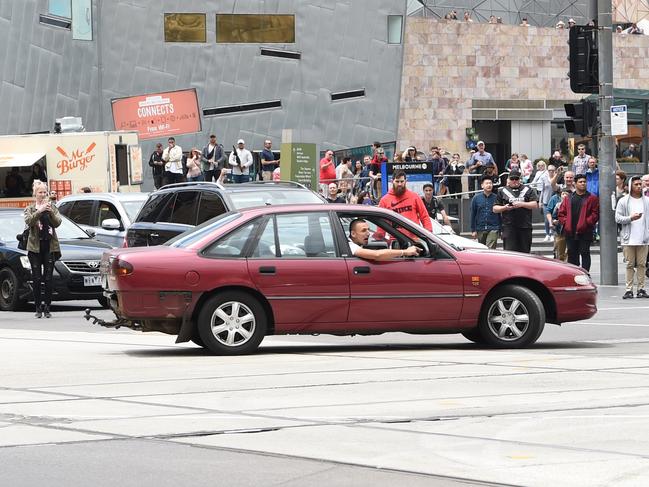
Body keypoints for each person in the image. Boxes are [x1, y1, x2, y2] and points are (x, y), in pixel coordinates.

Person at [24, 181, 62, 318]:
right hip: (35, 247)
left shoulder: (51, 207)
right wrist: (39, 211)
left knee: (48, 278)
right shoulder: (30, 208)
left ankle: (47, 308)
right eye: (40, 192)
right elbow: (29, 222)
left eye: (44, 192)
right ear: (35, 193)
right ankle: (38, 308)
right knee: (36, 277)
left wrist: (50, 212)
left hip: (49, 246)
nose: (42, 195)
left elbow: (57, 223)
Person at [615, 176, 649, 299]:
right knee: (629, 264)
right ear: (630, 186)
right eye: (636, 184)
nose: (639, 186)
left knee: (642, 264)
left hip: (643, 238)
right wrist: (630, 218)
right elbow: (617, 218)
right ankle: (629, 289)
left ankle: (641, 289)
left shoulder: (647, 201)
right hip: (628, 238)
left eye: (640, 184)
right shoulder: (623, 201)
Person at [558, 174, 599, 272]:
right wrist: (566, 222)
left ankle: (585, 274)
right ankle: (574, 275)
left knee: (585, 253)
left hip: (585, 231)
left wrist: (586, 223)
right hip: (570, 231)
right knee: (572, 254)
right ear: (575, 184)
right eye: (580, 182)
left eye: (584, 182)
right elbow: (561, 213)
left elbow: (595, 214)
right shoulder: (568, 198)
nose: (583, 184)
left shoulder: (592, 198)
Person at [493, 169, 539, 253]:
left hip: (525, 226)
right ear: (508, 180)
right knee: (510, 253)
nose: (514, 181)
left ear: (520, 179)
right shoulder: (502, 191)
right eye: (512, 179)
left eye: (516, 179)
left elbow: (535, 204)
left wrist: (522, 204)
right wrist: (505, 208)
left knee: (525, 252)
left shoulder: (528, 189)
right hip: (509, 227)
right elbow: (495, 208)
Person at [347, 218, 420, 261]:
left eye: (368, 230)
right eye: (363, 230)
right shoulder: (350, 246)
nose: (368, 233)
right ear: (353, 234)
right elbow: (376, 255)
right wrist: (405, 252)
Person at [470, 176, 501, 249]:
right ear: (482, 185)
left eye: (490, 183)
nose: (489, 185)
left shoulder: (497, 198)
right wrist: (473, 230)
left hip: (494, 227)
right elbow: (473, 214)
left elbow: (500, 214)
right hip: (480, 228)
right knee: (482, 249)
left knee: (490, 249)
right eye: (487, 183)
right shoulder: (476, 198)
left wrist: (501, 229)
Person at [531, 161, 555, 240]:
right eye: (549, 170)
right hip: (545, 200)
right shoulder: (544, 177)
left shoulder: (557, 177)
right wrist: (540, 201)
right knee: (546, 219)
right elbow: (542, 191)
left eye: (552, 170)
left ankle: (552, 234)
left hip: (554, 201)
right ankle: (547, 234)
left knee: (553, 218)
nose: (551, 171)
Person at [547, 189, 570, 261]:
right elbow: (554, 215)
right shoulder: (558, 205)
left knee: (569, 251)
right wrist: (554, 221)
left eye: (566, 194)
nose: (564, 195)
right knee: (560, 250)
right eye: (563, 194)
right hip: (559, 230)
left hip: (569, 230)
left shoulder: (571, 204)